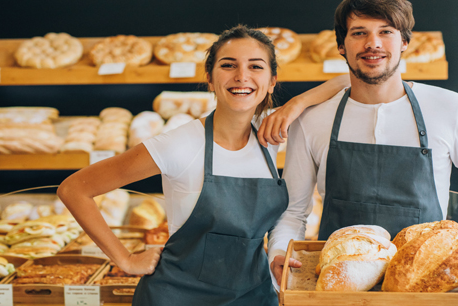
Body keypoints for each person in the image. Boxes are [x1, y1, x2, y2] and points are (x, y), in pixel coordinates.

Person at [57, 25, 347, 305]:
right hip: (177, 295)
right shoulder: (178, 144)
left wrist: (296, 103)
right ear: (209, 77)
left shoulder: (270, 134)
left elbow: (347, 81)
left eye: (256, 66)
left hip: (252, 295)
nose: (242, 76)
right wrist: (126, 259)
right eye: (228, 65)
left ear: (272, 81)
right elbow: (74, 190)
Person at [261, 0, 458, 285]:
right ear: (341, 45)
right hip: (339, 288)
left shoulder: (449, 110)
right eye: (358, 33)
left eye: (386, 32)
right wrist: (279, 251)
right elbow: (294, 211)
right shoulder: (313, 120)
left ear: (404, 41)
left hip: (425, 288)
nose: (373, 43)